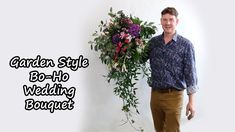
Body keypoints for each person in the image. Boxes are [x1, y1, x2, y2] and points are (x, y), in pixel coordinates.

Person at [145, 7, 198, 132]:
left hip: (174, 96)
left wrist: (191, 102)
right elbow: (139, 58)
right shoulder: (153, 43)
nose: (167, 23)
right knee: (159, 130)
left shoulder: (186, 45)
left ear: (177, 21)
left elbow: (191, 74)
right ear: (161, 21)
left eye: (171, 20)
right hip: (155, 95)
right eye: (165, 20)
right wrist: (126, 45)